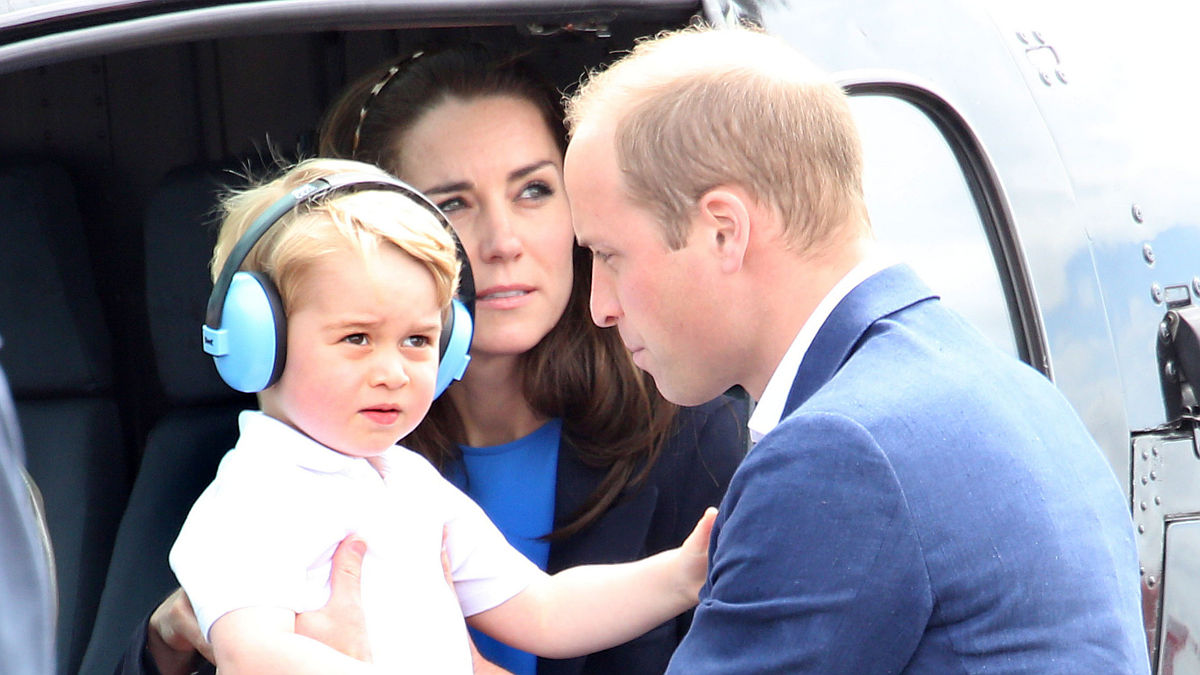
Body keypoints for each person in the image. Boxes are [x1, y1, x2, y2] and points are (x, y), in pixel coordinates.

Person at [124, 44, 746, 675]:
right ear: (261, 343)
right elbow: (253, 656)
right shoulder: (249, 498)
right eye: (357, 338)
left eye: (418, 340)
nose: (502, 244)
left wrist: (683, 575)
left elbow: (545, 611)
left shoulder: (409, 483)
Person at [558, 24, 1152, 673]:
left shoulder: (840, 452)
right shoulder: (1012, 392)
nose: (600, 305)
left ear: (723, 232)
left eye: (609, 256)